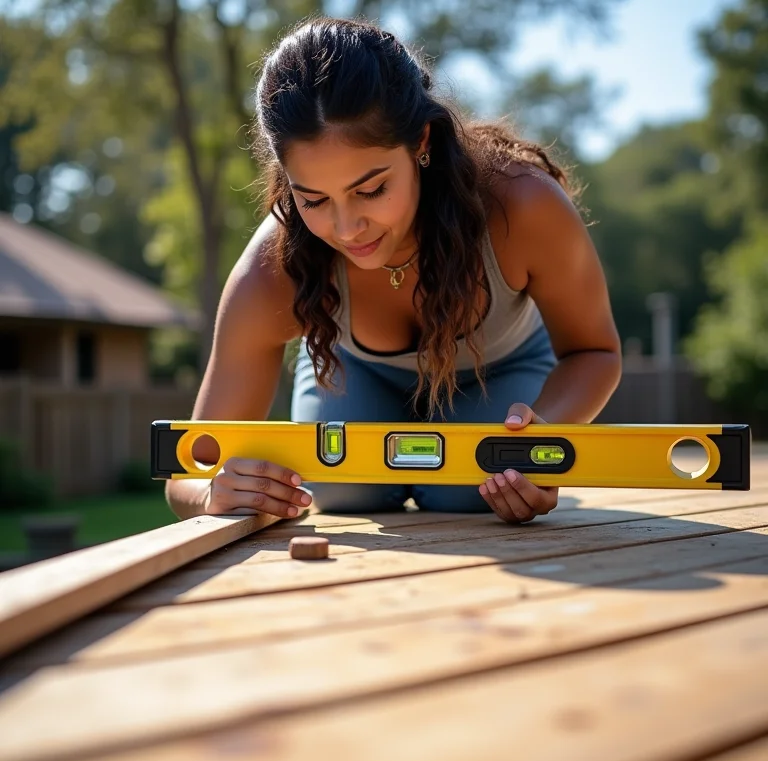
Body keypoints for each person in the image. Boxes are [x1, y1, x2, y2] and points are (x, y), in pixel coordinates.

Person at [165, 16, 622, 525]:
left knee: (474, 485)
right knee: (342, 486)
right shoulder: (272, 266)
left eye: (371, 189)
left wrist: (545, 440)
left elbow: (596, 352)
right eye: (313, 199)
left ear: (421, 141)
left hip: (501, 374)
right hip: (354, 375)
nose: (346, 228)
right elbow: (190, 465)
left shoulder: (522, 204)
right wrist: (212, 493)